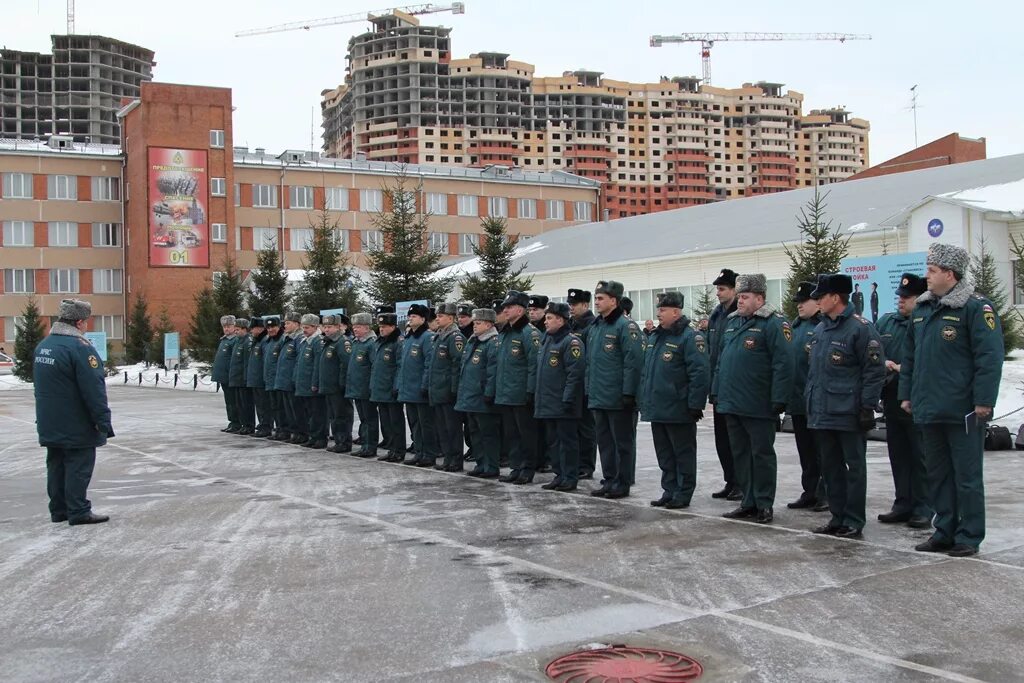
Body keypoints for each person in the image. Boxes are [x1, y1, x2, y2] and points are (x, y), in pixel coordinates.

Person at [900, 243, 1003, 557]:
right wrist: (906, 394)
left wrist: (983, 400)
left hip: (963, 410)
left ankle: (969, 535)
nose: (927, 277)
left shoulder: (975, 307)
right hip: (929, 408)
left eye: (932, 271)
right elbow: (910, 355)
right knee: (938, 475)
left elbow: (989, 357)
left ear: (950, 273)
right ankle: (943, 530)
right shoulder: (923, 309)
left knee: (967, 477)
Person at [806, 274, 886, 539]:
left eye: (821, 296)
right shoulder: (820, 329)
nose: (817, 300)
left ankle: (853, 519)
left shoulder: (860, 328)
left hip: (848, 411)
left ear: (836, 297)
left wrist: (867, 407)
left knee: (853, 468)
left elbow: (874, 371)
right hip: (823, 411)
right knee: (830, 468)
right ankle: (837, 516)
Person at [712, 273, 794, 524]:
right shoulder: (733, 322)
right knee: (741, 455)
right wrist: (716, 391)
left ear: (760, 298)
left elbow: (784, 364)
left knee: (761, 455)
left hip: (758, 403)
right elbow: (722, 361)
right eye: (740, 296)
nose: (740, 301)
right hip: (732, 402)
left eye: (745, 297)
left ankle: (764, 503)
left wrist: (779, 399)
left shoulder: (774, 323)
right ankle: (748, 501)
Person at [33, 299, 113, 525]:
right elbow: (94, 389)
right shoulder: (80, 349)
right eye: (86, 322)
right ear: (79, 322)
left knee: (56, 464)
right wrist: (102, 421)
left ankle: (59, 510)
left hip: (50, 420)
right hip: (76, 422)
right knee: (78, 465)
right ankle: (78, 511)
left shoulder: (44, 346)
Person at [640, 292, 709, 509]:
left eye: (663, 310)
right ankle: (669, 489)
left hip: (679, 408)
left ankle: (683, 491)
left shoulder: (690, 337)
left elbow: (699, 373)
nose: (658, 314)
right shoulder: (656, 337)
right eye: (659, 310)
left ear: (676, 312)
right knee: (664, 453)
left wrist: (695, 404)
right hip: (658, 407)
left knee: (683, 453)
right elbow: (648, 373)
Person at [876, 273, 932, 528]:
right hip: (891, 397)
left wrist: (905, 368)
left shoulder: (926, 322)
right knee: (898, 454)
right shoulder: (887, 322)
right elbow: (874, 349)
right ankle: (903, 503)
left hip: (917, 398)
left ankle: (923, 506)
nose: (901, 300)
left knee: (920, 455)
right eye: (899, 295)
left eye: (907, 297)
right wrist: (883, 363)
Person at [586, 280, 643, 499]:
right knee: (605, 442)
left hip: (619, 397)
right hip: (599, 396)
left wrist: (629, 392)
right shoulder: (597, 326)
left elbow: (633, 362)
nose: (597, 302)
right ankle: (609, 479)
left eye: (601, 298)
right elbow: (591, 363)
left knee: (622, 443)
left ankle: (623, 481)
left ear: (614, 300)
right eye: (596, 298)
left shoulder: (625, 326)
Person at [534, 301, 586, 492]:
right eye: (545, 318)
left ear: (561, 320)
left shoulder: (571, 342)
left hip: (564, 403)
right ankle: (559, 474)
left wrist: (568, 399)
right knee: (553, 442)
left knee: (567, 442)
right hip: (548, 402)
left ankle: (570, 477)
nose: (545, 322)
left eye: (549, 318)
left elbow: (575, 373)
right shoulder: (547, 340)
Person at [785, 282, 825, 510]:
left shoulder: (823, 325)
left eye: (804, 302)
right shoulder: (795, 326)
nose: (800, 306)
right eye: (797, 302)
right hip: (799, 400)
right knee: (806, 451)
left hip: (818, 401)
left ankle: (825, 492)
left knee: (822, 451)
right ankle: (809, 490)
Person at [495, 291, 542, 485]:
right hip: (506, 393)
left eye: (509, 307)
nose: (504, 310)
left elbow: (534, 365)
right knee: (511, 435)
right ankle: (516, 467)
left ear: (520, 310)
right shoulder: (506, 333)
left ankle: (527, 468)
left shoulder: (529, 333)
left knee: (526, 435)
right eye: (504, 307)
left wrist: (530, 391)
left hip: (522, 394)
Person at [456, 308, 501, 478]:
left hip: (483, 398)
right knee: (475, 433)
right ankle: (481, 463)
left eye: (478, 323)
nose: (474, 326)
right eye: (474, 323)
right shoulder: (473, 341)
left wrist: (489, 393)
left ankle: (491, 466)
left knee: (488, 434)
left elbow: (492, 371)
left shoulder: (493, 342)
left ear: (489, 324)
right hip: (470, 396)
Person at [707, 269, 740, 500]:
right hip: (718, 385)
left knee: (736, 440)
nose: (718, 293)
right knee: (722, 439)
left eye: (722, 289)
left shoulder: (741, 313)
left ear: (735, 289)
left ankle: (741, 482)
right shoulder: (717, 315)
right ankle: (730, 480)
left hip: (735, 387)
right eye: (717, 289)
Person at [427, 303, 466, 471]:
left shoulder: (455, 337)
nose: (437, 318)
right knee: (442, 429)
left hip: (448, 391)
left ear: (450, 318)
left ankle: (456, 460)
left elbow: (457, 365)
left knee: (453, 429)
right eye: (437, 315)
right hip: (437, 391)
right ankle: (447, 458)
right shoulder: (439, 336)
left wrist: (454, 389)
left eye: (441, 316)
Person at [398, 303, 438, 467]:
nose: (410, 319)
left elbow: (429, 364)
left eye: (414, 316)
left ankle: (429, 454)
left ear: (423, 319)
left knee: (425, 424)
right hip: (408, 390)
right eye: (409, 316)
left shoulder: (427, 337)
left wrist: (425, 386)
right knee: (414, 424)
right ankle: (419, 452)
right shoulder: (409, 338)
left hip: (420, 390)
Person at [568, 287, 598, 480]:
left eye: (575, 304)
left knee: (587, 429)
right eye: (570, 304)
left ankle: (587, 465)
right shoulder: (571, 325)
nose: (571, 308)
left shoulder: (591, 326)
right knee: (574, 428)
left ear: (585, 305)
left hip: (585, 385)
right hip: (572, 384)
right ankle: (576, 462)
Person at [316, 314, 353, 454]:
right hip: (329, 387)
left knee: (341, 416)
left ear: (338, 327)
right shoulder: (328, 342)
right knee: (334, 417)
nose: (326, 329)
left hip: (338, 388)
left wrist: (343, 384)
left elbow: (346, 364)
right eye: (325, 327)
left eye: (330, 327)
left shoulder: (342, 342)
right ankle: (338, 440)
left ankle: (344, 442)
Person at [372, 312, 405, 462]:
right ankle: (392, 449)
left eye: (384, 327)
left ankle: (398, 450)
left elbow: (400, 366)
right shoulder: (380, 342)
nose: (381, 329)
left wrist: (396, 386)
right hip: (380, 389)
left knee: (395, 422)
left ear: (393, 327)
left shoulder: (397, 342)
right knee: (386, 423)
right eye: (380, 326)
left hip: (391, 389)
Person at [346, 313, 379, 458]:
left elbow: (374, 367)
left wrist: (372, 386)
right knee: (363, 419)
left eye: (358, 327)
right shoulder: (357, 342)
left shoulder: (371, 344)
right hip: (357, 388)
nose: (355, 329)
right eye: (354, 327)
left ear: (367, 327)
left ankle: (370, 446)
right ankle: (365, 445)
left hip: (366, 388)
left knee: (369, 419)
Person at [293, 314, 327, 449]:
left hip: (312, 385)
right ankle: (312, 436)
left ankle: (320, 438)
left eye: (307, 327)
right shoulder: (304, 341)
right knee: (308, 413)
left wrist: (315, 383)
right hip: (303, 384)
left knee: (317, 414)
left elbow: (318, 365)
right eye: (303, 327)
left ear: (315, 327)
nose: (304, 330)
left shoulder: (318, 341)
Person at [273, 313, 303, 443]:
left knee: (296, 410)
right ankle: (292, 432)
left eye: (288, 323)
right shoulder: (285, 338)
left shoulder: (299, 339)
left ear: (297, 324)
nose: (285, 326)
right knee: (287, 409)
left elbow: (298, 361)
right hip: (283, 380)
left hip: (292, 380)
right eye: (285, 323)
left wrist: (294, 378)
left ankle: (299, 433)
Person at [245, 317, 272, 438]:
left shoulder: (265, 341)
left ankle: (266, 426)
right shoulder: (256, 341)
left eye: (253, 328)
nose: (251, 331)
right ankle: (262, 425)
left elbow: (265, 362)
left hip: (261, 379)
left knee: (264, 405)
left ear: (260, 329)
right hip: (255, 379)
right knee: (259, 405)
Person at [212, 315, 239, 432]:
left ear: (234, 326)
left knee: (234, 401)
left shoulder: (234, 340)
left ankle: (237, 422)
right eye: (224, 327)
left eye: (229, 326)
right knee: (229, 402)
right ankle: (232, 421)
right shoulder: (224, 340)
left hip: (230, 377)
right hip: (224, 377)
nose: (226, 329)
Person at [228, 318, 254, 435]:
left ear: (244, 329)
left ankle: (249, 425)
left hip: (242, 380)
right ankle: (243, 424)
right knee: (239, 404)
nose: (236, 331)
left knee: (246, 404)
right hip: (236, 379)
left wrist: (245, 378)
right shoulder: (238, 341)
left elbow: (246, 363)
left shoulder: (247, 342)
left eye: (238, 329)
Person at [262, 317, 286, 440]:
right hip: (270, 380)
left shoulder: (282, 340)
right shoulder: (268, 341)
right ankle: (279, 428)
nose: (271, 329)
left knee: (281, 407)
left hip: (279, 380)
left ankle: (284, 430)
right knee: (275, 407)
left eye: (273, 327)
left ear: (279, 327)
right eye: (268, 327)